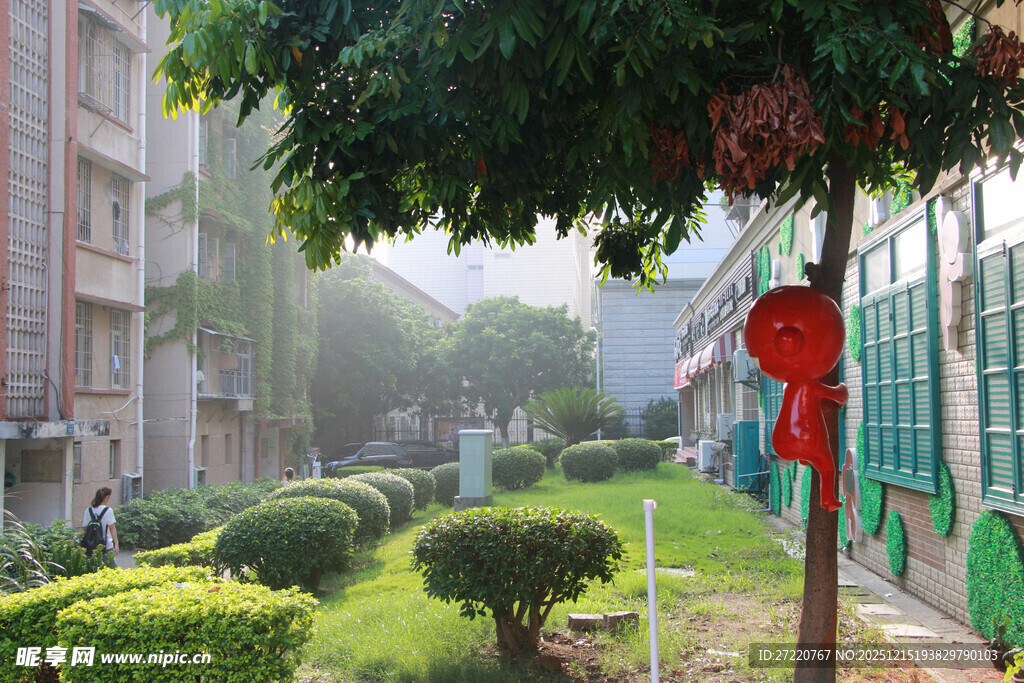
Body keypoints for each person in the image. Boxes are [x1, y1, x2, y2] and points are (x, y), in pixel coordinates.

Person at [82, 487, 118, 561]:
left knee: (91, 568)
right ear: (107, 497)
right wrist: (116, 544)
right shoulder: (108, 510)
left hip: (90, 545)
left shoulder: (88, 510)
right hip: (106, 544)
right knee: (109, 568)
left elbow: (85, 529)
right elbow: (112, 528)